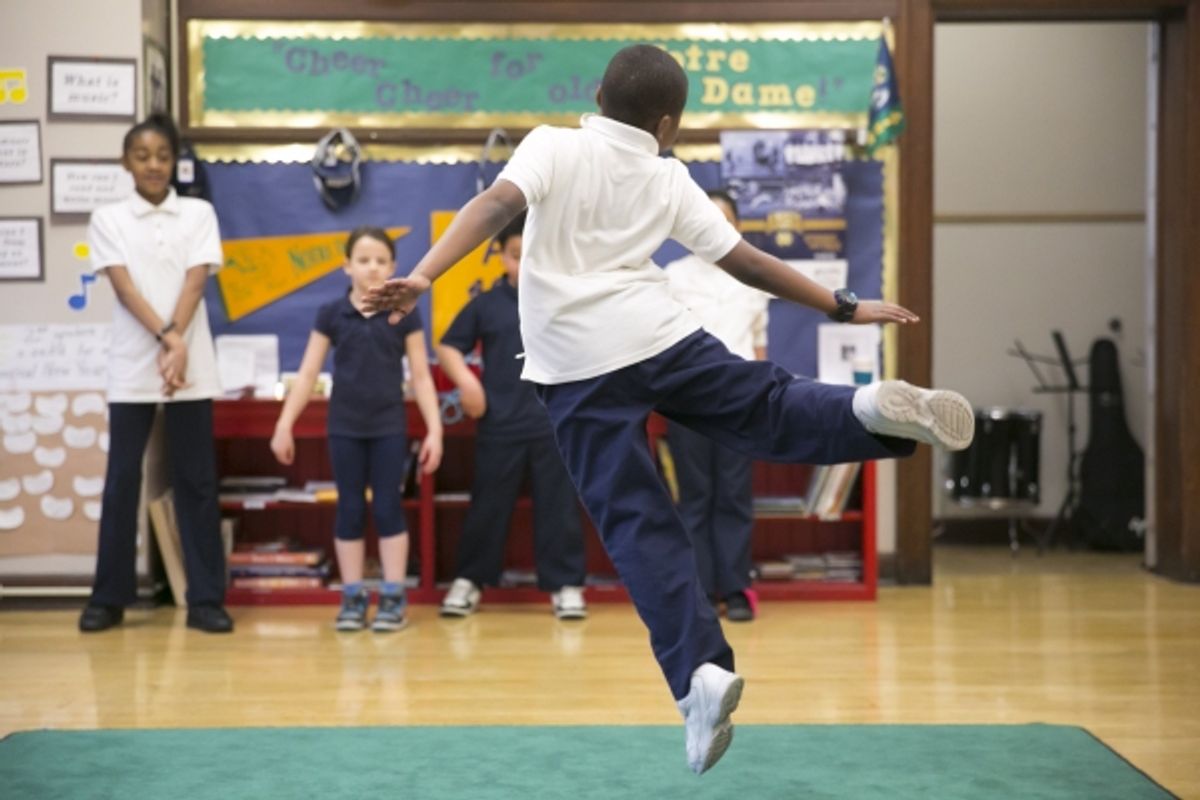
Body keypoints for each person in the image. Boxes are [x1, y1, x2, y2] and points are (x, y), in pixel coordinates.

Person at [365, 45, 974, 774]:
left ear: (596, 94)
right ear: (667, 124)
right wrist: (841, 305)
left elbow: (496, 205)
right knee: (767, 405)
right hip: (662, 335)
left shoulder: (553, 146)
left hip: (580, 371)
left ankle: (699, 675)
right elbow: (745, 259)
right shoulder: (669, 176)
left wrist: (425, 273)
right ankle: (868, 407)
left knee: (639, 519)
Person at [80, 113, 233, 634]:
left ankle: (207, 598)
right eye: (142, 156)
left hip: (192, 365)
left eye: (162, 157)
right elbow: (124, 289)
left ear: (175, 163)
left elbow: (196, 281)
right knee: (123, 479)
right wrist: (168, 339)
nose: (153, 165)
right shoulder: (108, 218)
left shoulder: (199, 213)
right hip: (134, 363)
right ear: (127, 162)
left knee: (197, 480)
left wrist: (177, 342)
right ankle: (109, 598)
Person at [271, 226, 443, 633]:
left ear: (394, 268)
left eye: (381, 261)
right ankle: (351, 596)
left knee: (387, 508)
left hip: (388, 427)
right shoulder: (331, 314)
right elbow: (309, 371)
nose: (372, 268)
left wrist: (435, 430)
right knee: (349, 509)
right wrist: (284, 425)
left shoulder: (405, 311)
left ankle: (393, 596)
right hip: (345, 427)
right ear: (346, 266)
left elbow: (420, 375)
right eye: (363, 260)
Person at [436, 213, 588, 620]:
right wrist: (468, 384)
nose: (525, 263)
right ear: (501, 257)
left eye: (533, 255)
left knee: (558, 508)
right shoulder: (486, 304)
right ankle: (469, 582)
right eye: (516, 255)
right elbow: (448, 347)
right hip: (499, 422)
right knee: (488, 505)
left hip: (552, 424)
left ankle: (566, 585)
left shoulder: (563, 302)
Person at [662, 189, 767, 623]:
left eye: (726, 219)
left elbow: (760, 345)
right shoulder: (673, 274)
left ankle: (736, 587)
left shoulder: (754, 277)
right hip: (688, 400)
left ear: (737, 226)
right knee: (695, 496)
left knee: (734, 496)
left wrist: (762, 399)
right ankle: (702, 591)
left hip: (740, 400)